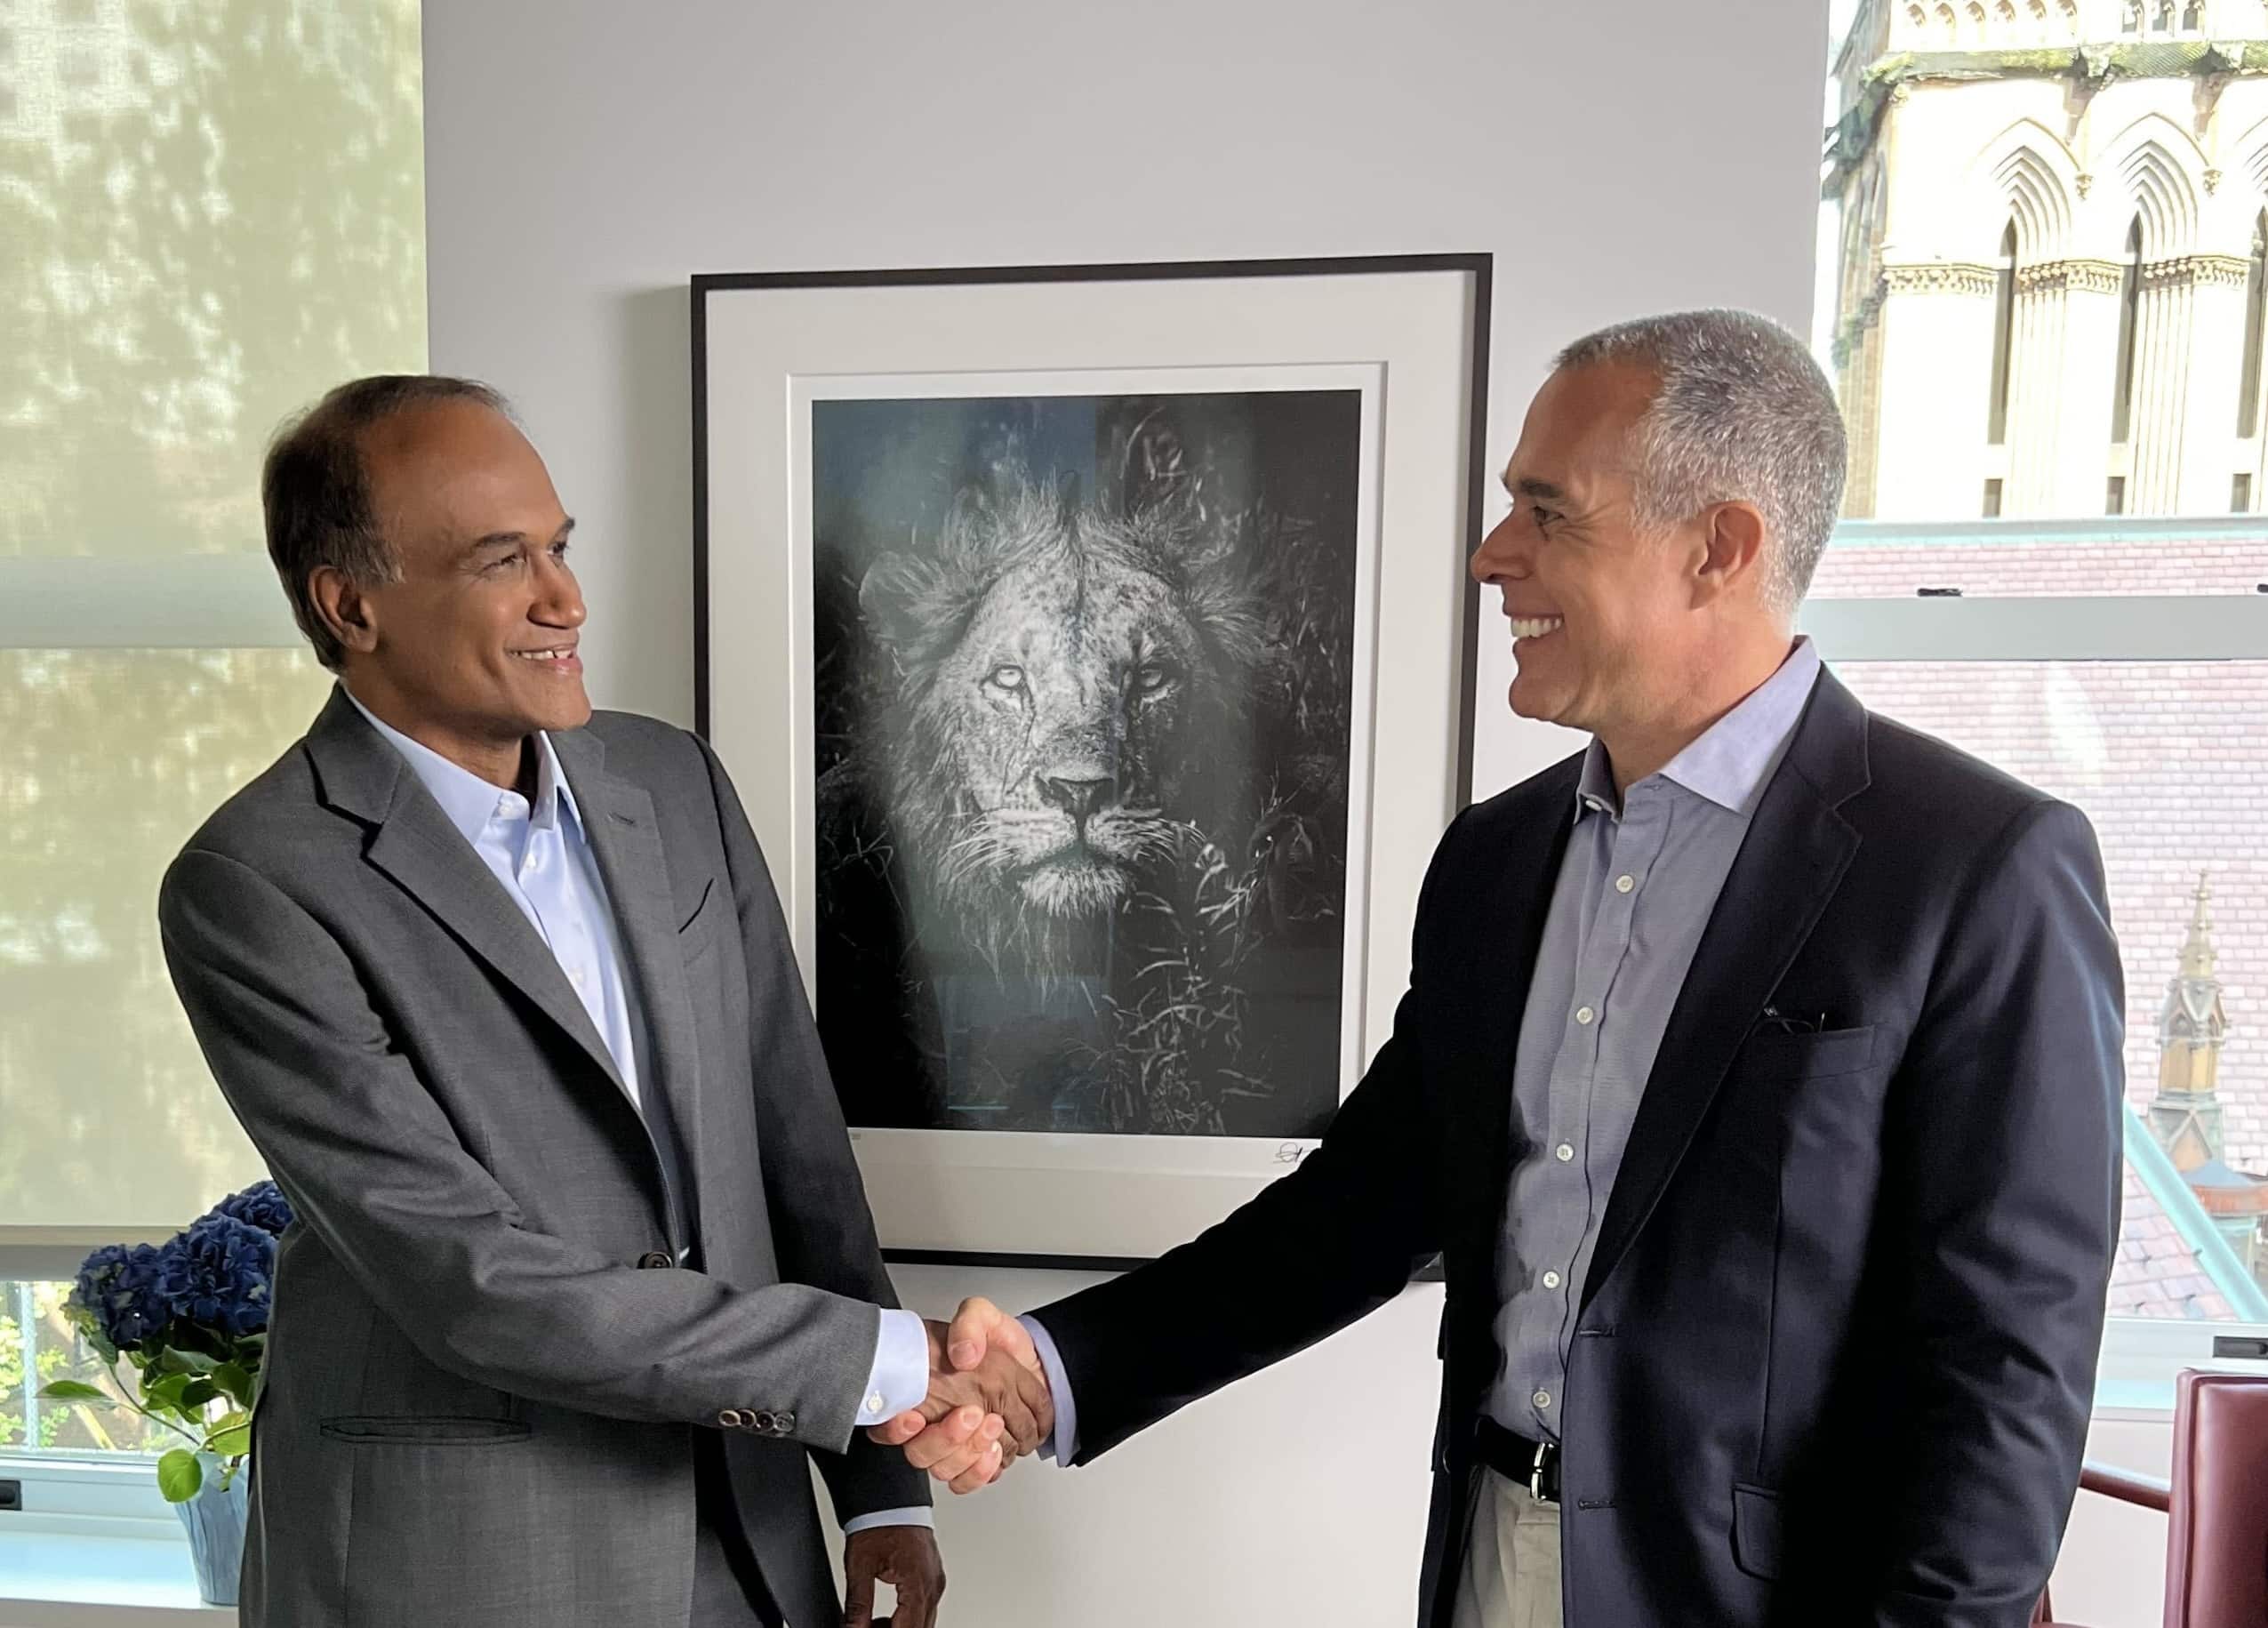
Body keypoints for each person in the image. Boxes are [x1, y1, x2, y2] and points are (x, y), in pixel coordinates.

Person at [882, 311, 2126, 1627]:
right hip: (1488, 1565)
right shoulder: (1496, 860)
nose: (1493, 556)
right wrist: (1053, 1369)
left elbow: (2004, 1371)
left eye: (1549, 512)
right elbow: (1355, 1212)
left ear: (1721, 548)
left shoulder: (1978, 868)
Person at [158, 376, 1046, 1628]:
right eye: (500, 559)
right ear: (350, 604)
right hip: (464, 1566)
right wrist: (890, 1366)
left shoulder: (672, 781)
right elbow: (473, 1279)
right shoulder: (253, 886)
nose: (566, 598)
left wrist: (884, 1491)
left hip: (746, 1536)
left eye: (560, 546)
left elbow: (797, 1155)